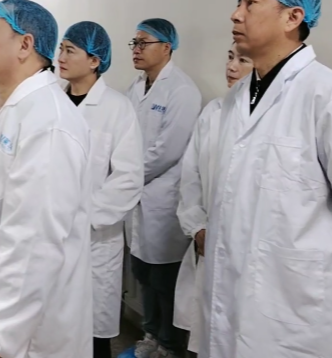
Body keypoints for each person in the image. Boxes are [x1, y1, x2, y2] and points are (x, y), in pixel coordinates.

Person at [201, 0, 332, 358]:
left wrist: (319, 272)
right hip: (231, 295)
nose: (236, 14)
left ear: (293, 17)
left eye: (251, 3)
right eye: (238, 4)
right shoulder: (236, 100)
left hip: (296, 306)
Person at [0, 0, 92, 358]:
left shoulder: (48, 122)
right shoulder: (12, 110)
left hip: (19, 339)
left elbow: (34, 246)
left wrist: (0, 341)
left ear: (25, 44)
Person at [57, 21, 144, 358]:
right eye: (61, 48)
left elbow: (127, 178)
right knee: (53, 331)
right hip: (50, 232)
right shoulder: (53, 102)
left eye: (70, 50)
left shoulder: (117, 108)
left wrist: (82, 217)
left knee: (93, 338)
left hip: (94, 239)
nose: (61, 57)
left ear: (94, 60)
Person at [124, 18, 201, 358]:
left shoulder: (182, 90)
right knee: (142, 272)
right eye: (135, 43)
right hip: (137, 196)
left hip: (164, 200)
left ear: (166, 47)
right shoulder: (135, 87)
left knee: (164, 278)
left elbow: (168, 150)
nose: (136, 49)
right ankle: (151, 336)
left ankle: (169, 345)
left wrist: (127, 177)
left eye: (144, 43)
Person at [173, 43, 253, 354]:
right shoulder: (213, 113)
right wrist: (197, 227)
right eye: (230, 57)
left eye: (243, 60)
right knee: (204, 335)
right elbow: (190, 176)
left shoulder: (274, 119)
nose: (231, 67)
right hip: (207, 244)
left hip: (250, 258)